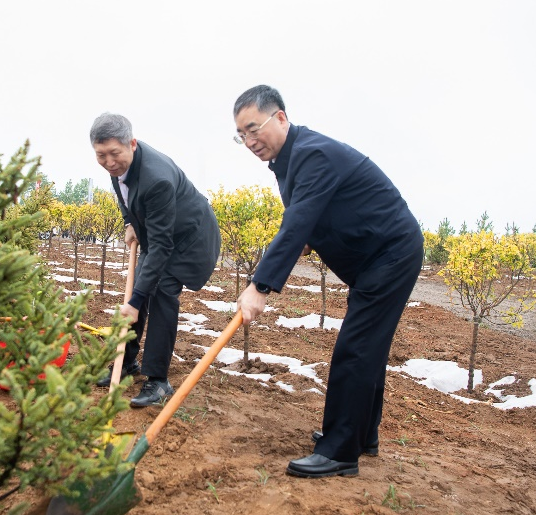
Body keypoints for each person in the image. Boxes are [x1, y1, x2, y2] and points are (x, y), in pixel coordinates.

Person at [232, 85, 423, 478]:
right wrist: (305, 241)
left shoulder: (312, 154)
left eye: (254, 129)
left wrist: (260, 286)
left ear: (280, 117)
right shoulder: (290, 161)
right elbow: (312, 218)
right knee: (367, 348)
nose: (250, 141)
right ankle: (360, 435)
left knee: (356, 347)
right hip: (376, 258)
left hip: (390, 253)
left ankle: (339, 451)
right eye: (242, 135)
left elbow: (297, 221)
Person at [91, 113, 221, 407]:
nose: (109, 162)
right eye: (101, 156)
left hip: (189, 239)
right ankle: (125, 363)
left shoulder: (156, 178)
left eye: (114, 154)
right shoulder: (119, 167)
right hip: (160, 233)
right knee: (141, 286)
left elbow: (162, 246)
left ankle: (158, 380)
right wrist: (129, 222)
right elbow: (125, 197)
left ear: (132, 144)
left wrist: (135, 302)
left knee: (160, 290)